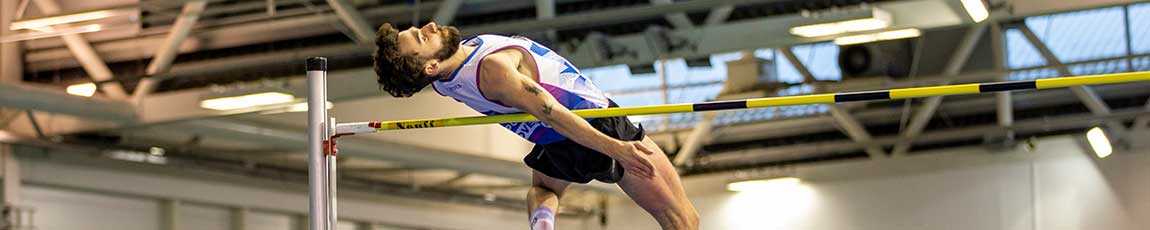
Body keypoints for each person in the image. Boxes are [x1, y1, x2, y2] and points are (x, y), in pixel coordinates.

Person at [372, 22, 699, 230]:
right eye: (421, 37)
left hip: (555, 144)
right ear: (429, 65)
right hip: (596, 125)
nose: (429, 26)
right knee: (683, 220)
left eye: (419, 29)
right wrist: (619, 150)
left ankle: (542, 222)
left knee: (545, 190)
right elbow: (551, 111)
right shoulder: (493, 69)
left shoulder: (444, 81)